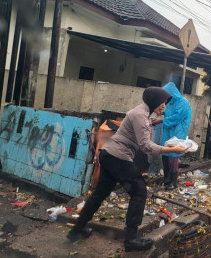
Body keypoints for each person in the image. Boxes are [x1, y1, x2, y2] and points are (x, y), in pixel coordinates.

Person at [66, 87, 189, 252]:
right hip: (118, 157)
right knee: (139, 191)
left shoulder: (141, 112)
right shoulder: (141, 116)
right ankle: (131, 240)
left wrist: (167, 146)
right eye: (162, 103)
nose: (164, 107)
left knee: (100, 193)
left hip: (109, 154)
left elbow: (143, 141)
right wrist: (173, 150)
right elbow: (145, 146)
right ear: (154, 102)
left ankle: (76, 230)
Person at [152, 82, 192, 190]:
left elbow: (177, 117)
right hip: (168, 131)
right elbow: (168, 113)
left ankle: (173, 182)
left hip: (178, 132)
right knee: (165, 153)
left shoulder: (183, 102)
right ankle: (167, 180)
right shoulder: (169, 103)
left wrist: (161, 120)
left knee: (173, 156)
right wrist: (161, 113)